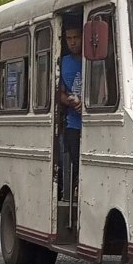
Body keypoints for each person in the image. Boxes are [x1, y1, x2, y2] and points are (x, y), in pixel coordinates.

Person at [59, 26, 83, 198]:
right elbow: (59, 93)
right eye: (69, 38)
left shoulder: (93, 58)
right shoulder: (63, 62)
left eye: (76, 37)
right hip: (73, 123)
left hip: (95, 123)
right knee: (77, 163)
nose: (73, 42)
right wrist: (70, 101)